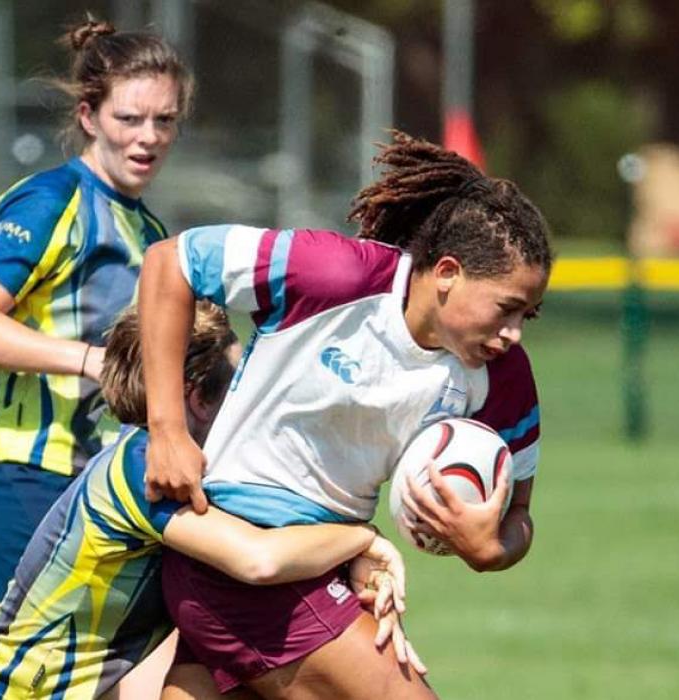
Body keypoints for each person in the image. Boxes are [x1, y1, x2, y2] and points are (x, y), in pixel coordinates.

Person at [137, 132, 550, 698]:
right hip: (233, 554)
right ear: (448, 273)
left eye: (529, 314)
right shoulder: (334, 276)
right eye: (506, 309)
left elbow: (519, 514)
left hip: (320, 566)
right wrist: (167, 430)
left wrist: (493, 548)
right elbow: (171, 262)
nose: (514, 333)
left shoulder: (502, 379)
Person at [0, 302, 411, 700]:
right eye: (235, 382)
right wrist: (362, 538)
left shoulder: (173, 461)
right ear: (195, 395)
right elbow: (258, 559)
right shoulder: (144, 464)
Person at [0, 18, 192, 634]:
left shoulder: (152, 234)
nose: (148, 137)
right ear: (88, 117)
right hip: (25, 478)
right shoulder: (52, 203)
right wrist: (90, 359)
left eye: (164, 120)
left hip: (108, 490)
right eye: (129, 119)